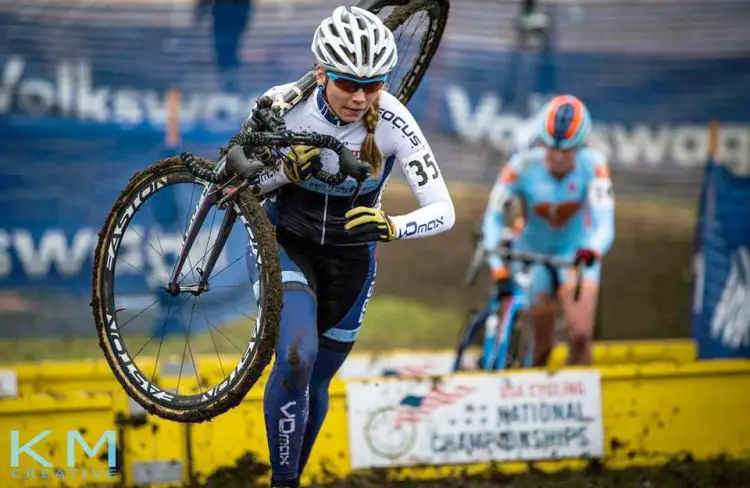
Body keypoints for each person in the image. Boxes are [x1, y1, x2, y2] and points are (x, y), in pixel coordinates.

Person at [229, 7, 455, 487]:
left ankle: (292, 475)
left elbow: (443, 209)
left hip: (352, 262)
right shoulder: (281, 105)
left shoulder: (395, 121)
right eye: (347, 83)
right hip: (284, 242)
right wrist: (285, 171)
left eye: (373, 84)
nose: (360, 96)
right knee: (295, 355)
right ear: (320, 73)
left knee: (316, 380)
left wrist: (392, 227)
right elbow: (238, 189)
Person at [481, 94, 615, 367]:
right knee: (542, 346)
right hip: (531, 253)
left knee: (580, 335)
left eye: (566, 150)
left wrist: (593, 250)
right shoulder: (520, 166)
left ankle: (578, 399)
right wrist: (498, 267)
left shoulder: (595, 166)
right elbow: (493, 217)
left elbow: (605, 224)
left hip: (576, 254)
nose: (556, 156)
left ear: (581, 146)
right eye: (550, 147)